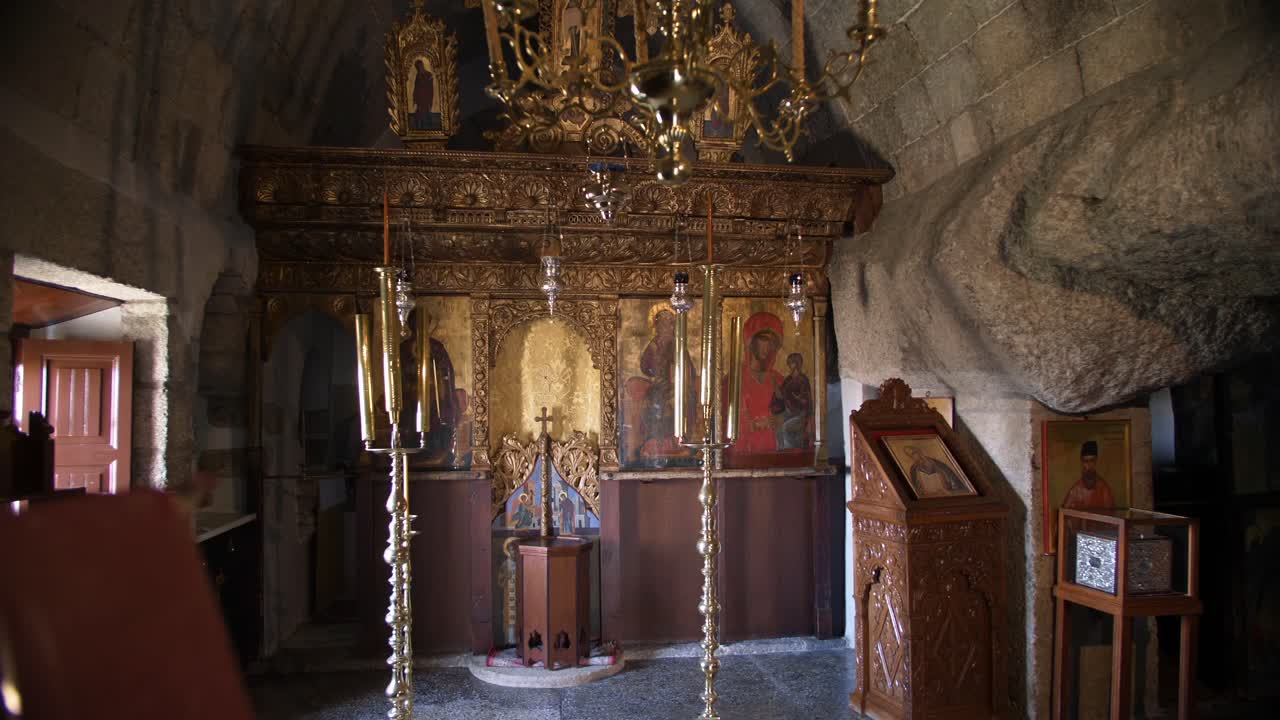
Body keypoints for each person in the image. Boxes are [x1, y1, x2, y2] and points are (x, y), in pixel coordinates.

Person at [736, 312, 786, 453]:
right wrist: (755, 425)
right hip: (743, 453)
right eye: (763, 339)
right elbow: (723, 420)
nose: (768, 346)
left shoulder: (779, 380)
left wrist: (780, 420)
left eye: (772, 342)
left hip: (774, 451)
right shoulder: (734, 380)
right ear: (751, 341)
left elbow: (796, 414)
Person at [1061, 440, 1116, 509]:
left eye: (1092, 461)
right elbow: (1064, 511)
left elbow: (1111, 512)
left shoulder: (1104, 489)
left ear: (1096, 462)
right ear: (1082, 463)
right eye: (1086, 461)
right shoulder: (1075, 490)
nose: (1089, 465)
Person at [775, 352, 812, 449]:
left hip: (800, 414)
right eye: (789, 363)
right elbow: (781, 396)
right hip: (788, 412)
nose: (789, 365)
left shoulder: (803, 380)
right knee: (778, 429)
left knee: (786, 428)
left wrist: (799, 398)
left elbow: (806, 401)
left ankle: (790, 453)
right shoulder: (788, 379)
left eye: (791, 363)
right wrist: (775, 386)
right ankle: (781, 453)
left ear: (797, 363)